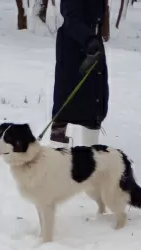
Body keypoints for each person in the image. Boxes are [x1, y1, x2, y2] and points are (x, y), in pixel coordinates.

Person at [49, 0, 109, 148]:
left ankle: (91, 152)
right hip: (72, 46)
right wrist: (89, 39)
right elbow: (71, 18)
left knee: (95, 99)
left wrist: (95, 39)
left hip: (93, 43)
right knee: (65, 99)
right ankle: (56, 150)